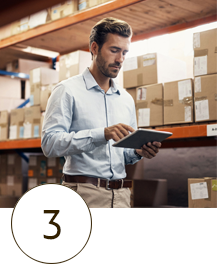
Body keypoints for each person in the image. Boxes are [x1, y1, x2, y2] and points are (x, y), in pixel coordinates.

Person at [41, 17, 161, 208]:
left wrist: (138, 151)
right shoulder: (67, 90)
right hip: (84, 195)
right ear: (94, 48)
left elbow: (124, 154)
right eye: (114, 50)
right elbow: (49, 144)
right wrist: (102, 134)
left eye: (124, 52)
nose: (120, 59)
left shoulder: (126, 99)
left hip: (122, 196)